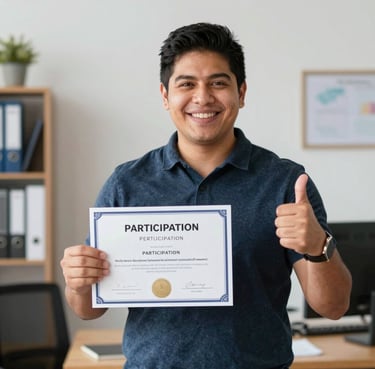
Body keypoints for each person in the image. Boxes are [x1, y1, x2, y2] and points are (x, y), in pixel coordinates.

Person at [60, 22, 352, 369]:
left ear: (241, 93)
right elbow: (88, 309)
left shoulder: (286, 182)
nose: (203, 97)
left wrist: (319, 244)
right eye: (187, 84)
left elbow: (333, 308)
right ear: (165, 96)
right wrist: (79, 282)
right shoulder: (127, 182)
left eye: (218, 83)